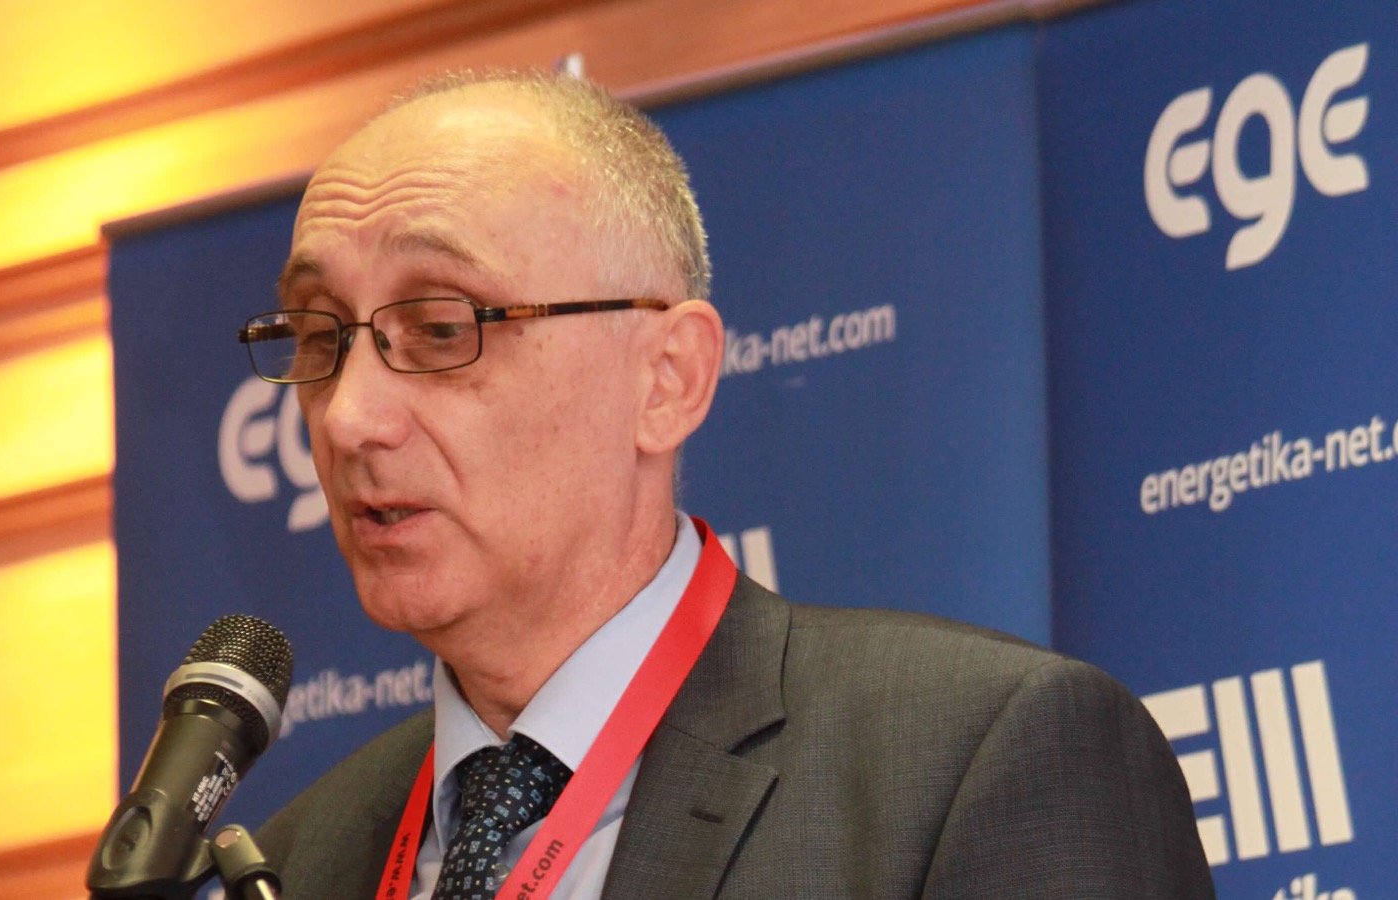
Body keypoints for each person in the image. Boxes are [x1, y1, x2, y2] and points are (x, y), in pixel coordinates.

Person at [248, 70, 1214, 898]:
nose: (349, 418)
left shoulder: (979, 763)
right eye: (321, 335)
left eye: (440, 328)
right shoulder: (294, 863)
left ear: (666, 380)